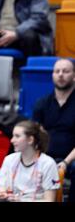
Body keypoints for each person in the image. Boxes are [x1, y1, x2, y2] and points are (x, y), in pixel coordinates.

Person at [33, 58, 75, 202]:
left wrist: (65, 162)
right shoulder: (42, 103)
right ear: (52, 75)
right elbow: (36, 136)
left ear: (74, 75)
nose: (61, 74)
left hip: (72, 158)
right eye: (57, 71)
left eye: (66, 71)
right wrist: (43, 159)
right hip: (46, 156)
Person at [0, 120, 60, 202]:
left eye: (17, 136)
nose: (12, 140)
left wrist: (21, 200)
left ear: (30, 140)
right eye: (13, 136)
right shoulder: (9, 160)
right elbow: (0, 194)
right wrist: (2, 196)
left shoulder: (48, 163)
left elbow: (49, 200)